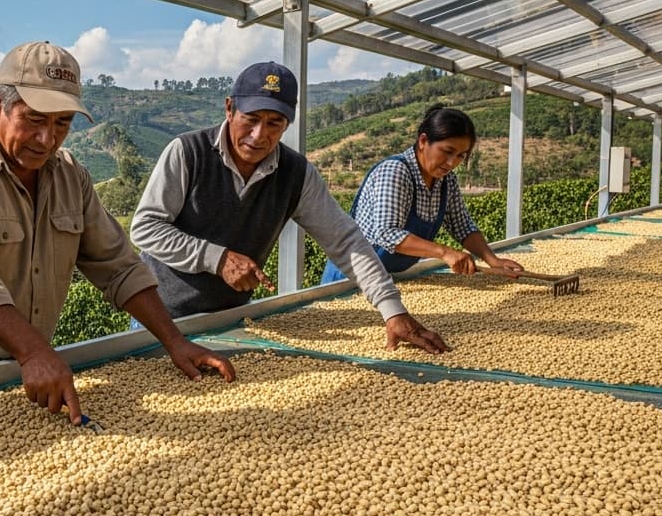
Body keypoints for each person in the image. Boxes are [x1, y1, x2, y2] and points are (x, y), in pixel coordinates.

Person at [0, 40, 235, 424]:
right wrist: (35, 353)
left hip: (30, 363)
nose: (47, 139)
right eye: (35, 119)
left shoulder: (69, 174)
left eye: (63, 123)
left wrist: (175, 342)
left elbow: (118, 266)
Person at [131, 61, 449, 354]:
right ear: (230, 108)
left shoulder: (295, 173)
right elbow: (146, 229)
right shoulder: (188, 153)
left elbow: (346, 241)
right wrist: (218, 258)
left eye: (274, 123)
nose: (259, 136)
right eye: (251, 119)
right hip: (161, 319)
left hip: (232, 319)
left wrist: (392, 311)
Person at [320, 105, 525, 282]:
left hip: (385, 277)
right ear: (423, 141)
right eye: (447, 151)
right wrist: (445, 253)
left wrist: (493, 261)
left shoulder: (446, 180)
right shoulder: (396, 171)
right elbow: (387, 233)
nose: (452, 163)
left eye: (461, 156)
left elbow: (462, 227)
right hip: (350, 277)